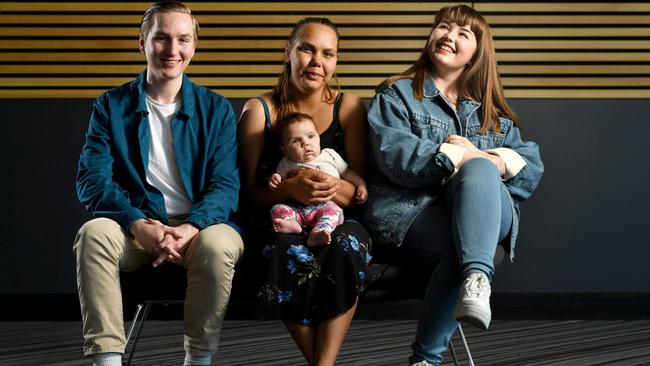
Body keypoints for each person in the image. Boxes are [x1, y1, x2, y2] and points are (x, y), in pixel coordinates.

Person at [363, 5, 544, 366]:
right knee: (475, 243)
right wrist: (459, 157)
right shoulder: (396, 95)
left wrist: (485, 159)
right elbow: (398, 158)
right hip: (414, 215)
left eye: (463, 33)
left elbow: (532, 167)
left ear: (478, 51)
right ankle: (430, 354)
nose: (449, 36)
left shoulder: (491, 112)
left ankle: (472, 284)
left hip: (479, 213)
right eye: (443, 27)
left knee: (481, 171)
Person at [73, 2, 243, 365]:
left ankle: (198, 360)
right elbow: (92, 180)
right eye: (161, 38)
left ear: (194, 46)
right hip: (137, 226)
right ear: (142, 44)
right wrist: (138, 224)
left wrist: (192, 226)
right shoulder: (110, 105)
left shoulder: (217, 109)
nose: (172, 50)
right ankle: (107, 359)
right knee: (93, 233)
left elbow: (225, 185)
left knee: (220, 245)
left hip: (200, 228)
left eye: (183, 39)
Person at [237, 17, 372, 366]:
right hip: (280, 221)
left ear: (336, 61)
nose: (317, 62)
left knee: (345, 245)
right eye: (307, 49)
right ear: (289, 53)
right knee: (282, 249)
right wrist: (291, 189)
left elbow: (359, 191)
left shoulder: (350, 107)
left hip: (338, 218)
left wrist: (335, 187)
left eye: (328, 53)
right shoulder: (259, 111)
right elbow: (248, 196)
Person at [269, 111, 368, 246]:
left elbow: (348, 173)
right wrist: (274, 179)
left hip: (326, 205)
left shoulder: (329, 155)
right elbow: (279, 182)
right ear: (285, 150)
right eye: (296, 140)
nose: (305, 143)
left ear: (319, 137)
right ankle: (290, 223)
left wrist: (361, 184)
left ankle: (319, 231)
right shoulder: (286, 162)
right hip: (297, 208)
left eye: (311, 136)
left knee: (335, 213)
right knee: (277, 208)